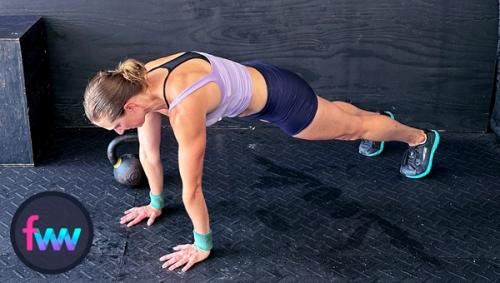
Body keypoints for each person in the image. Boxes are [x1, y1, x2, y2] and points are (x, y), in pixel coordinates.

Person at [83, 51, 440, 272]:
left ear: (129, 107)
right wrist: (155, 203)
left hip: (282, 101)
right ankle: (379, 121)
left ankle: (418, 138)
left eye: (115, 125)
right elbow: (148, 152)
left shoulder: (183, 106)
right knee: (341, 119)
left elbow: (192, 188)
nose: (117, 131)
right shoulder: (142, 83)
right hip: (261, 78)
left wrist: (202, 244)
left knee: (349, 130)